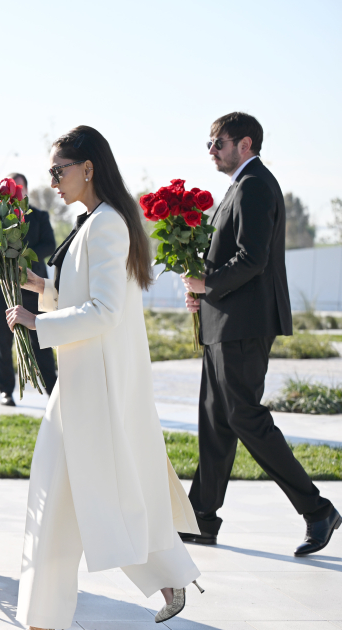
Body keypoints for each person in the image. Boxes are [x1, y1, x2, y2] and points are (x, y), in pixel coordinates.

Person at [6, 126, 202, 629]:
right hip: (78, 387)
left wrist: (36, 321)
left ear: (87, 168)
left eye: (58, 170)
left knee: (86, 498)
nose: (52, 181)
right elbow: (80, 296)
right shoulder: (93, 222)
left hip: (93, 391)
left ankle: (45, 616)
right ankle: (46, 615)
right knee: (69, 502)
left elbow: (106, 311)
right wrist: (40, 288)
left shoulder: (109, 223)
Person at [181, 112, 339, 555]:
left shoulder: (254, 185)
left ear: (245, 144)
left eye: (218, 143)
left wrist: (208, 286)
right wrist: (203, 293)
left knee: (245, 418)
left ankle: (317, 510)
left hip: (244, 326)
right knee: (215, 424)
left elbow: (253, 259)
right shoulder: (239, 185)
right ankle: (202, 519)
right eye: (209, 143)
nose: (211, 150)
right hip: (223, 323)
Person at [0, 173, 58, 406]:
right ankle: (5, 391)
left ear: (26, 191)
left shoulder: (39, 217)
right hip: (2, 291)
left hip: (34, 288)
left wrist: (21, 256)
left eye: (18, 187)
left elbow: (50, 244)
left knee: (41, 340)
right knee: (3, 344)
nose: (13, 191)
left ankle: (53, 393)